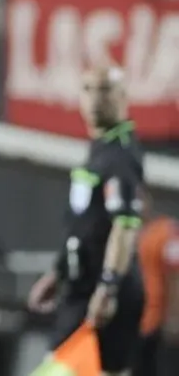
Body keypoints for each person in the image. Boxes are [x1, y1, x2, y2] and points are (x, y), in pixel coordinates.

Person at [28, 65, 146, 376]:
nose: (95, 99)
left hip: (101, 293)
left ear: (123, 96)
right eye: (88, 89)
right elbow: (85, 224)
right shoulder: (100, 148)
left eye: (105, 90)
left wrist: (108, 287)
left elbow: (125, 225)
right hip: (81, 286)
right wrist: (59, 271)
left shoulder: (120, 156)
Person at [134, 191, 179, 376]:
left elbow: (175, 276)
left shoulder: (163, 232)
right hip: (131, 326)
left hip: (157, 326)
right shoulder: (122, 236)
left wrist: (174, 320)